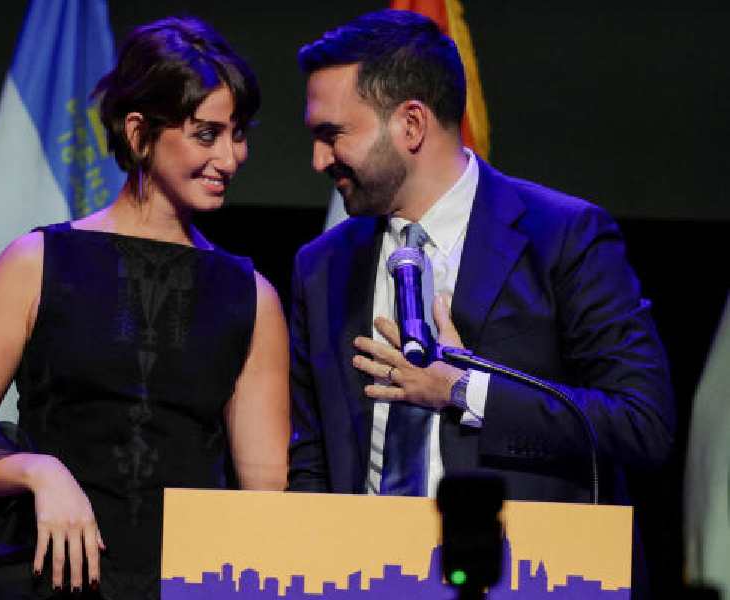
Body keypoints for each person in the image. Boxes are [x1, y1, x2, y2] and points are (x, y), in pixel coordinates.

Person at [0, 16, 289, 600]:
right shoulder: (36, 262)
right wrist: (37, 470)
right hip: (42, 581)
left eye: (239, 133)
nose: (230, 157)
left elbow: (265, 500)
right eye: (207, 134)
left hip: (179, 587)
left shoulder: (250, 295)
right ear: (138, 132)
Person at [287, 9, 674, 595]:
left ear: (411, 124)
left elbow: (643, 424)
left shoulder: (563, 237)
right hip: (366, 579)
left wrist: (463, 390)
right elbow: (313, 454)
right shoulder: (321, 266)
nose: (319, 161)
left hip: (529, 578)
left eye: (332, 135)